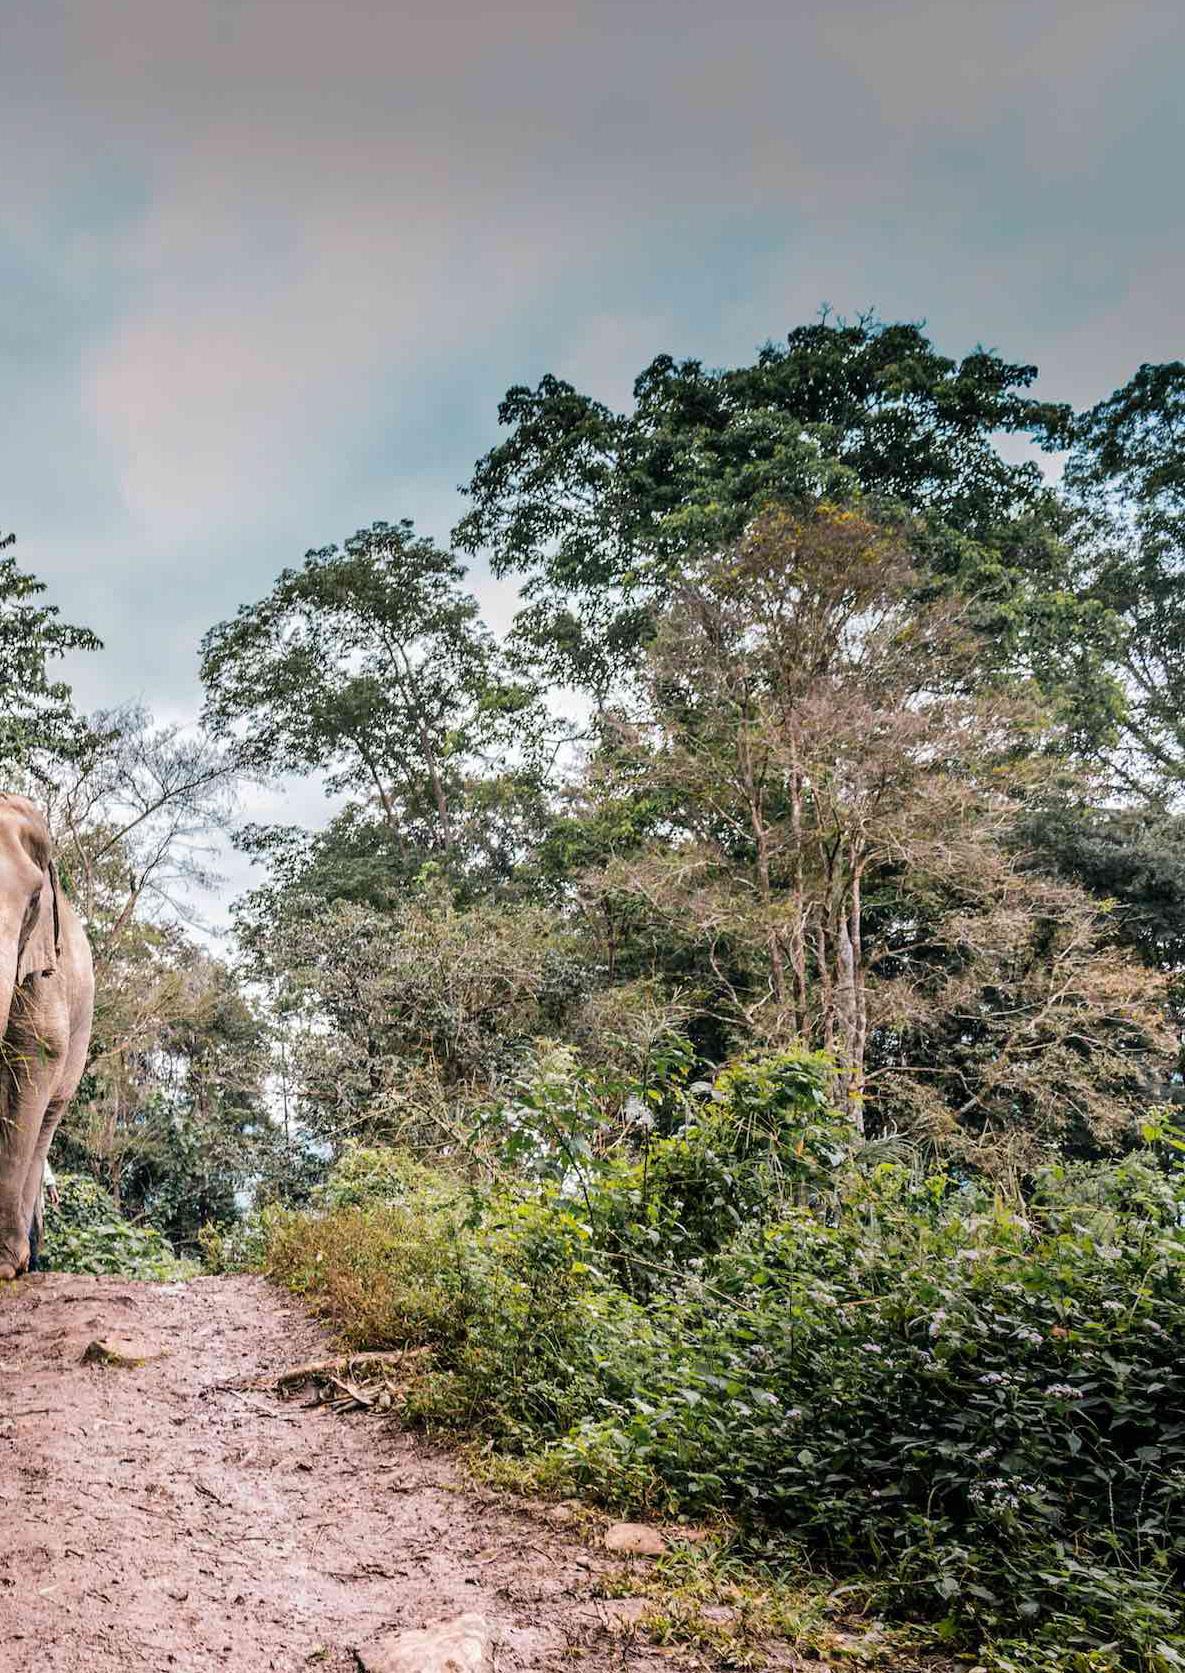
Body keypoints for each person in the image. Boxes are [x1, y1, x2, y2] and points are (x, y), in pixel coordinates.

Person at [26, 1159, 58, 1273]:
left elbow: (41, 1158)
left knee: (31, 1237)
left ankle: (32, 1271)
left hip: (30, 1198)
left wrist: (50, 1183)